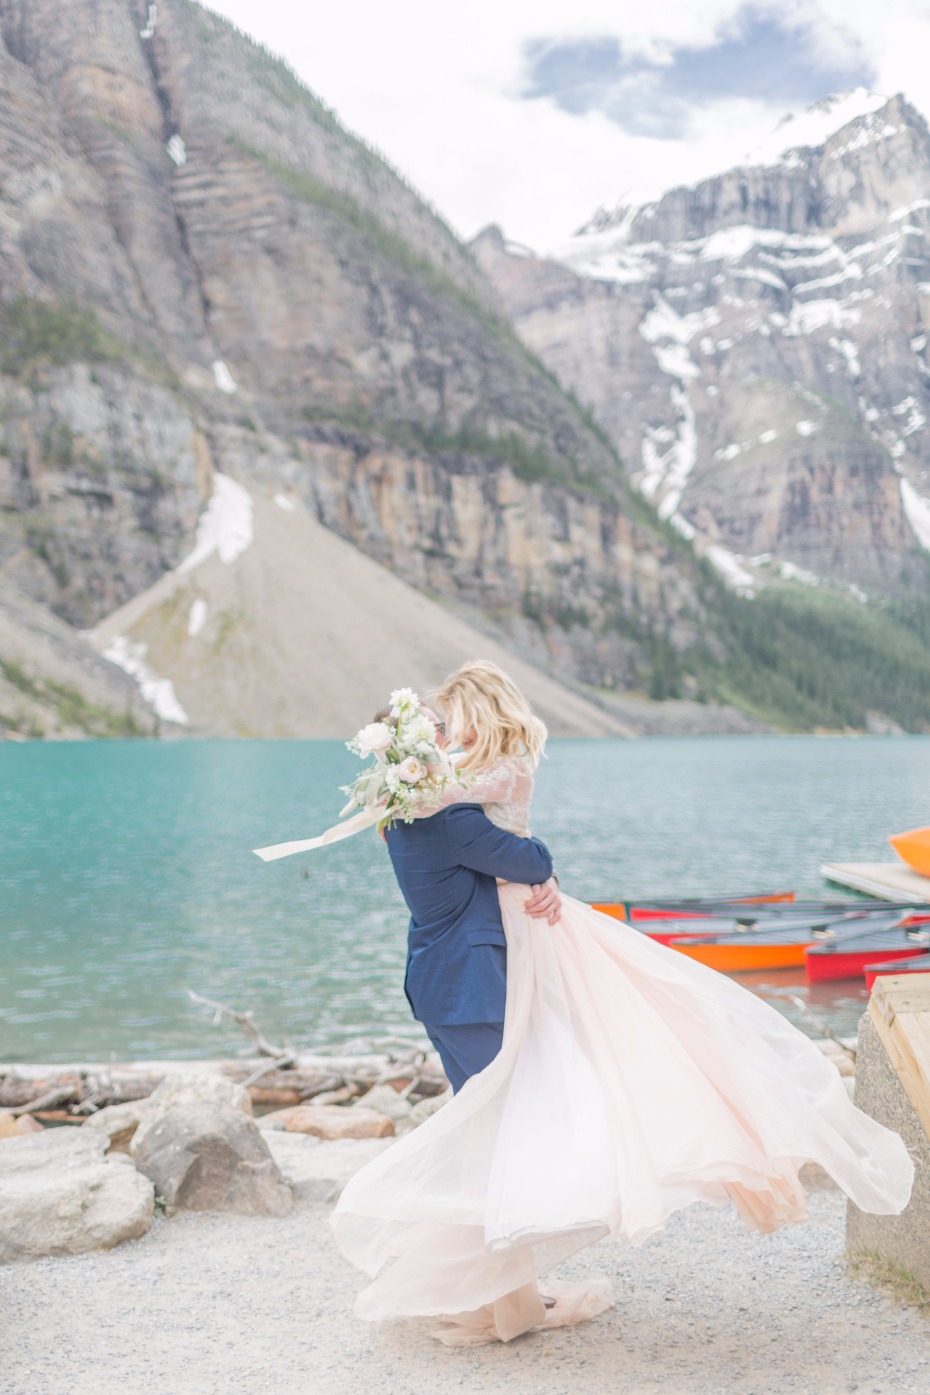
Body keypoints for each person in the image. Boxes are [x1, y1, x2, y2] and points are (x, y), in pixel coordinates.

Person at [331, 661, 914, 1347]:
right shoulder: (451, 816)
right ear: (415, 751)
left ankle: (508, 1292)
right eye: (434, 735)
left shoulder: (403, 817)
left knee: (496, 1135)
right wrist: (540, 862)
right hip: (474, 984)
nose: (445, 742)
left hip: (442, 981)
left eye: (447, 730)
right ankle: (508, 1294)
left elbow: (495, 839)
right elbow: (527, 854)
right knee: (504, 1136)